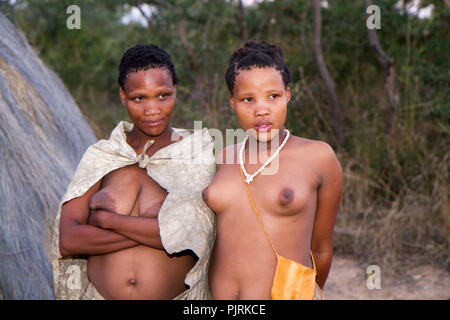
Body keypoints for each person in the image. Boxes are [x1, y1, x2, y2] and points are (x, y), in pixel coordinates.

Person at [51, 44, 216, 300]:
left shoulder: (194, 153)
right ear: (123, 97)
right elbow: (70, 239)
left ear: (176, 92)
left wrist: (109, 222)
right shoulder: (103, 156)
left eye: (163, 95)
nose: (153, 110)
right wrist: (156, 233)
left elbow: (195, 234)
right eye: (139, 98)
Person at [204, 40, 343, 300]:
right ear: (232, 102)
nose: (262, 110)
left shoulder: (318, 157)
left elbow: (322, 249)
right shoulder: (223, 158)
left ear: (287, 96)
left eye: (273, 96)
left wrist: (304, 294)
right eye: (247, 99)